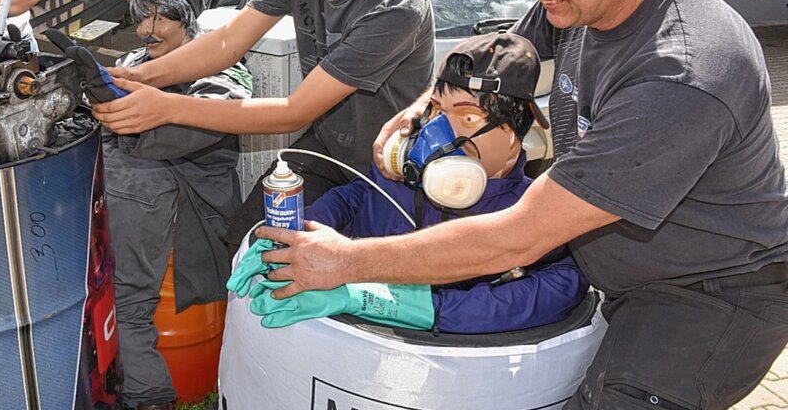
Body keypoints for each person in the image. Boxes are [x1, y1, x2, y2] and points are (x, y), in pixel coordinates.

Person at [258, 0, 788, 410]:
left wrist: (345, 262)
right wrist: (424, 104)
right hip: (641, 280)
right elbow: (494, 59)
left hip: (708, 299)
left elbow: (520, 235)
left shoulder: (683, 73)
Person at [92, 0, 434, 256]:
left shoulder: (394, 3)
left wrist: (163, 107)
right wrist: (138, 76)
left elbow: (295, 111)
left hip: (391, 165)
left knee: (328, 276)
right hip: (328, 146)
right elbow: (224, 41)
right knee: (246, 247)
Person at [235, 32, 587, 334]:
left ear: (515, 135)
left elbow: (562, 286)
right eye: (435, 111)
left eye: (466, 116)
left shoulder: (529, 213)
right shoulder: (403, 178)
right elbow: (357, 198)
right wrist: (298, 241)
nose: (436, 132)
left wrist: (389, 302)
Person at [102, 0, 252, 410]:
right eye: (140, 16)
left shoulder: (222, 70)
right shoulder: (132, 58)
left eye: (159, 16)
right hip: (129, 213)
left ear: (187, 19)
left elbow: (178, 134)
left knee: (130, 300)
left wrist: (119, 114)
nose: (146, 29)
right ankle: (145, 409)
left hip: (188, 218)